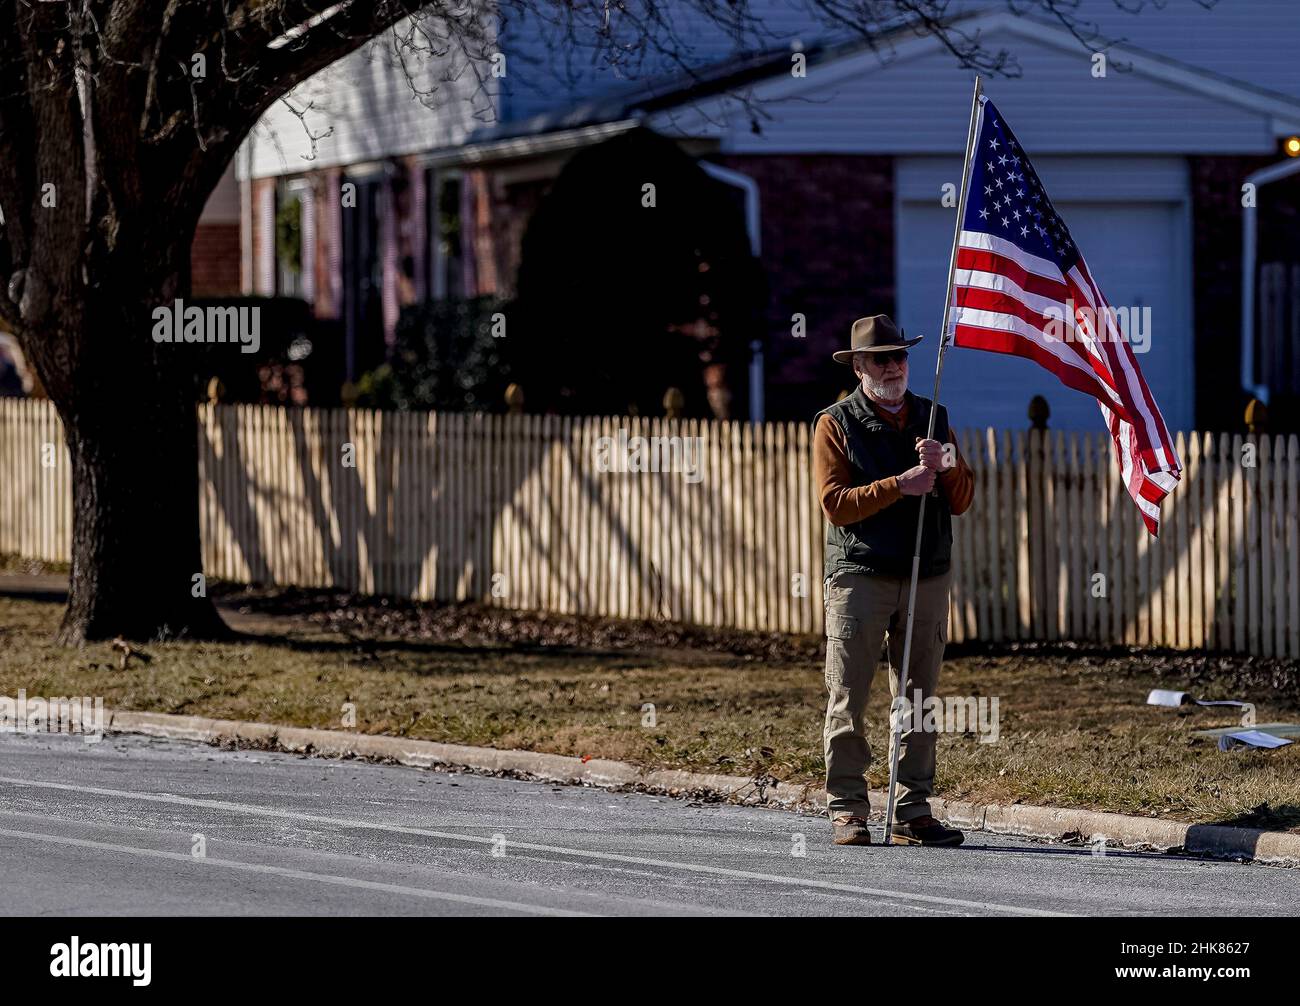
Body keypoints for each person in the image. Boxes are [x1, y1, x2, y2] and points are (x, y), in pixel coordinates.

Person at [813, 314, 974, 846]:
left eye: (899, 356)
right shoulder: (836, 423)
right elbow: (835, 504)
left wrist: (946, 465)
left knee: (919, 698)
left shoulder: (934, 416)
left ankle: (913, 808)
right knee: (849, 695)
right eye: (880, 359)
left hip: (927, 574)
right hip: (861, 575)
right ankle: (848, 808)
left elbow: (962, 498)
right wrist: (899, 485)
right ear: (858, 367)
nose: (893, 367)